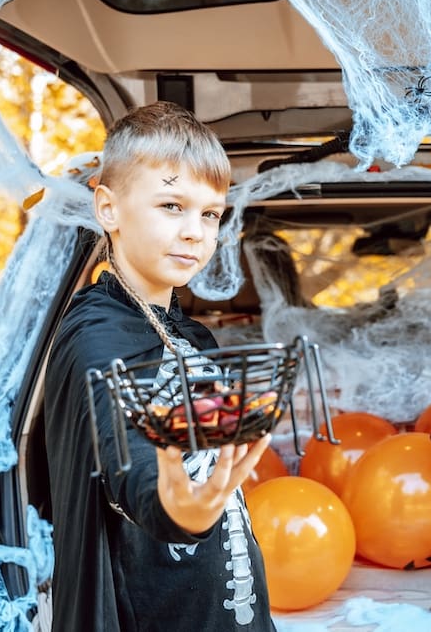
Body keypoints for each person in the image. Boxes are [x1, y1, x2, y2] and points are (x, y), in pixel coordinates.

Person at [44, 101, 276, 631]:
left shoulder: (190, 334)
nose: (195, 231)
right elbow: (124, 453)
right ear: (109, 209)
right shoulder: (95, 336)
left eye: (210, 213)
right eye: (171, 205)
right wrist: (179, 511)